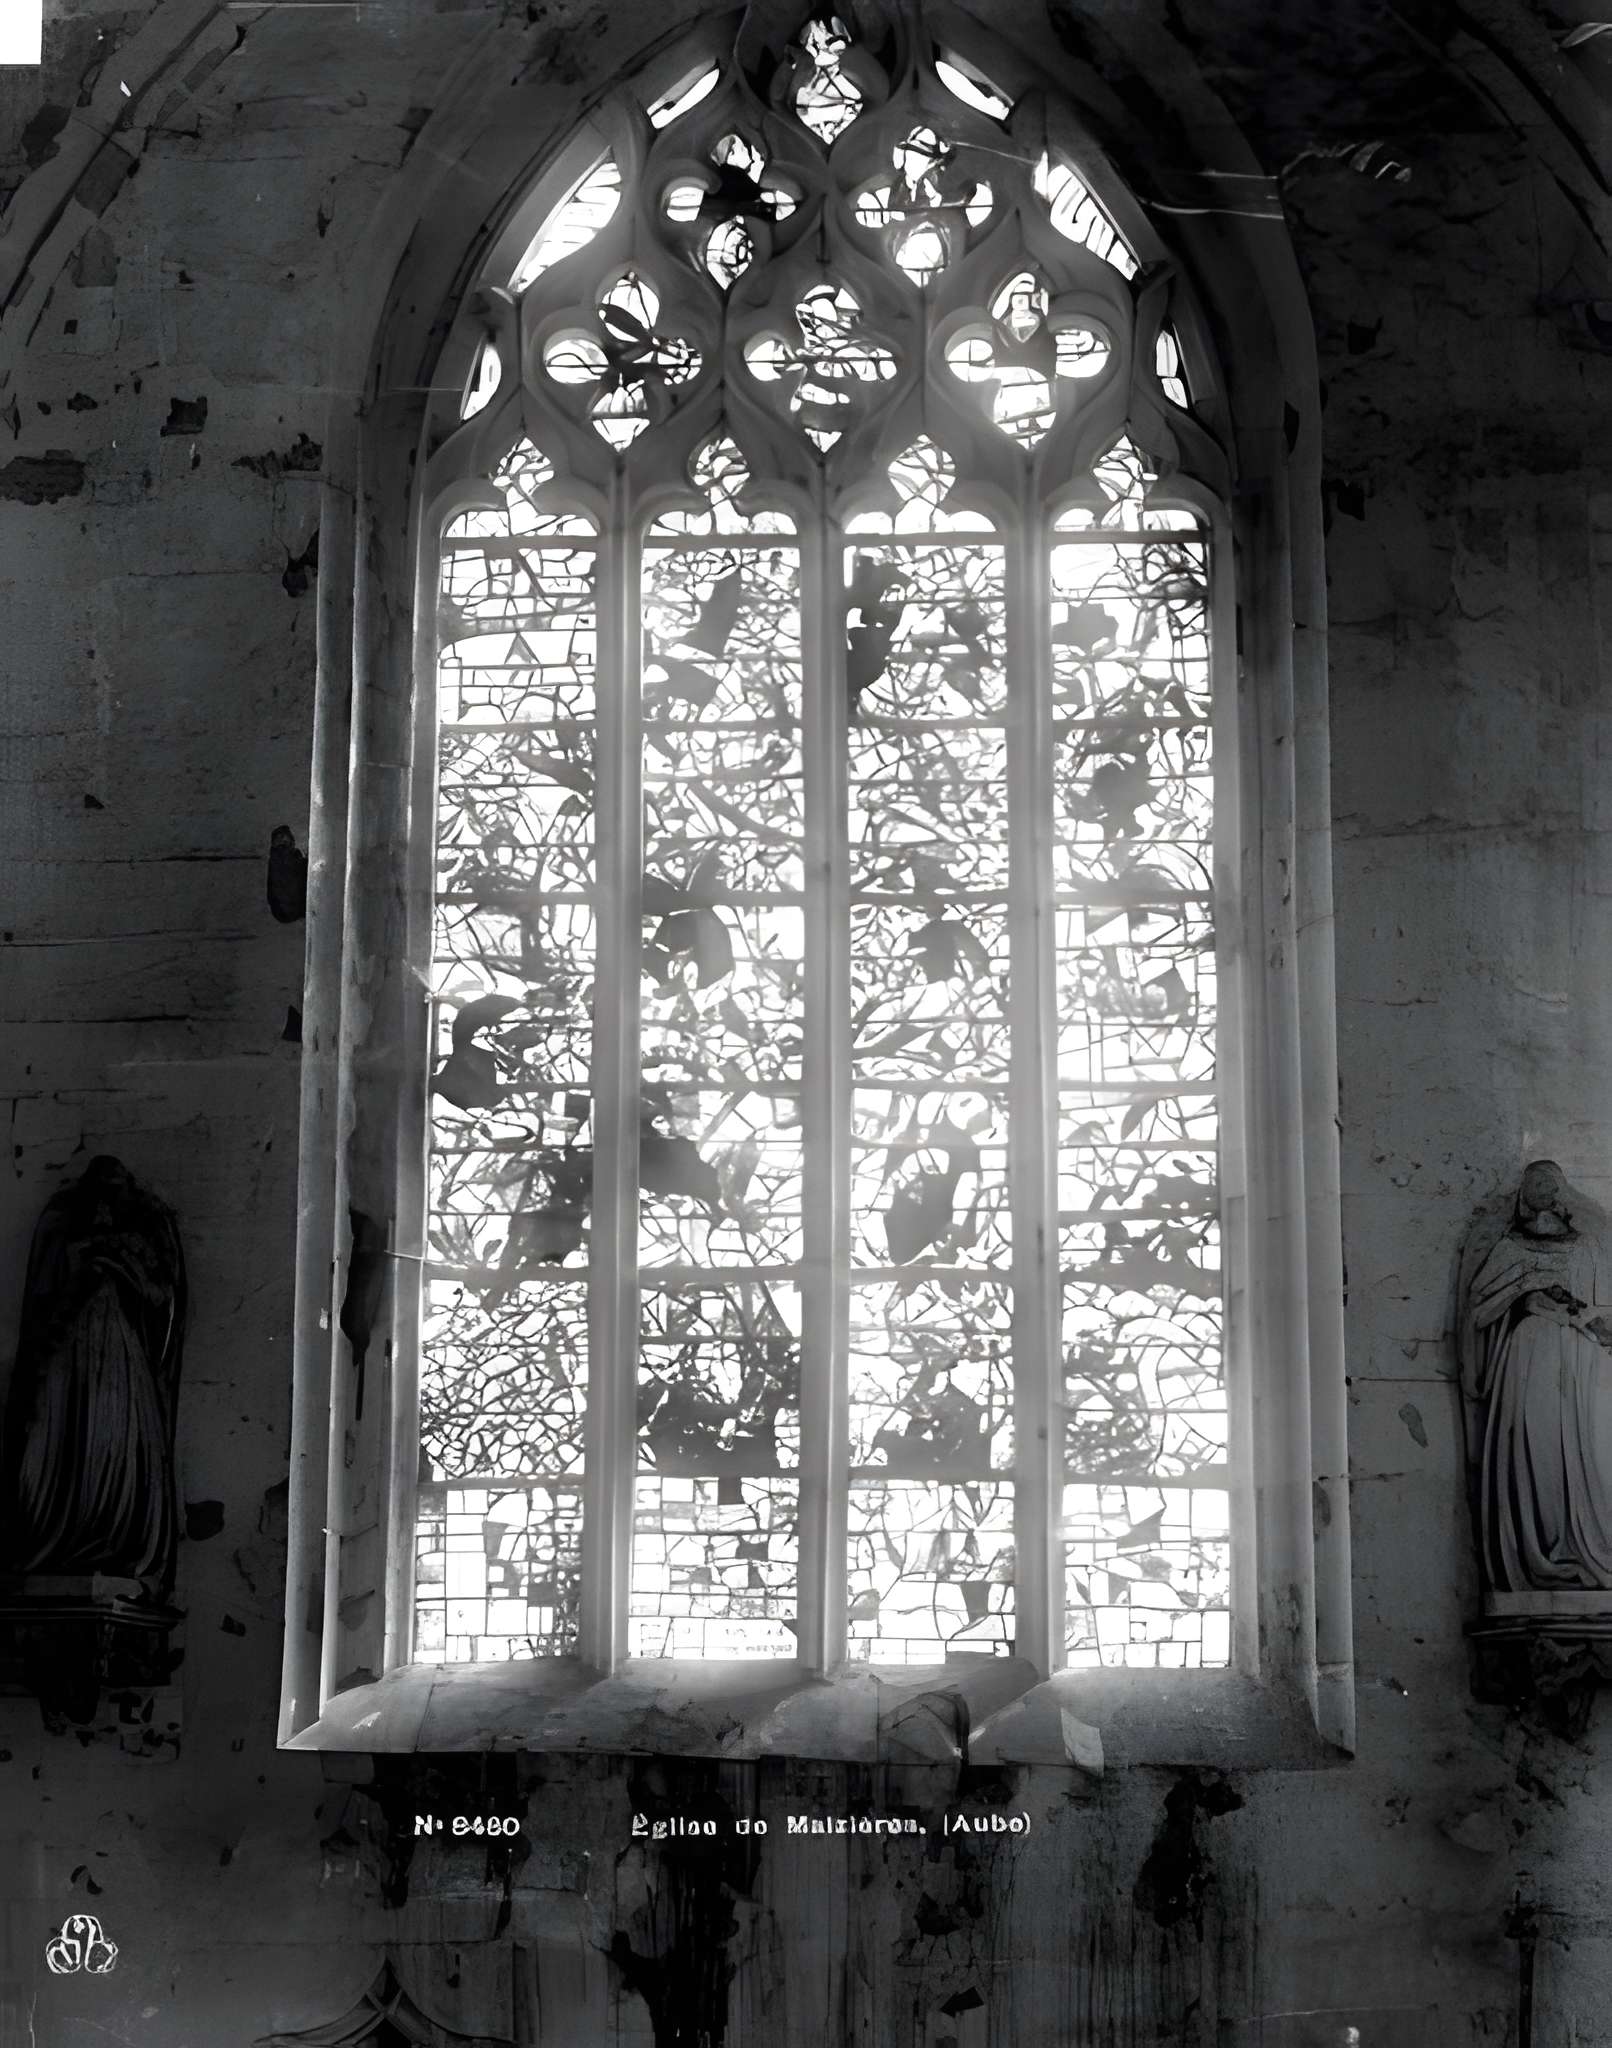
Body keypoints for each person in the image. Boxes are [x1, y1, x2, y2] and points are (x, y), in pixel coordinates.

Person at [1460, 1159, 1612, 1592]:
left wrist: (1582, 1315)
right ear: (1525, 1195)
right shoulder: (1509, 1248)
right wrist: (1527, 1294)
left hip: (1581, 1361)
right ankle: (1538, 1553)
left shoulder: (1587, 1247)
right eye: (1537, 1186)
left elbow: (1603, 1304)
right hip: (1528, 1357)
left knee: (1586, 1455)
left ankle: (1578, 1547)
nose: (1545, 1193)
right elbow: (1480, 1306)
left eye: (1552, 1185)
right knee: (1534, 1449)